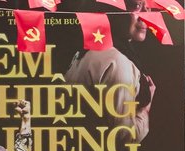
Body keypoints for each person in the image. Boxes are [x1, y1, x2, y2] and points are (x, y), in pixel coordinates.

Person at [63, 2, 155, 140]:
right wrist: (145, 109)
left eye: (148, 8)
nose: (145, 16)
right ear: (113, 8)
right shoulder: (118, 62)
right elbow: (124, 139)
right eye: (136, 6)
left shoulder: (89, 49)